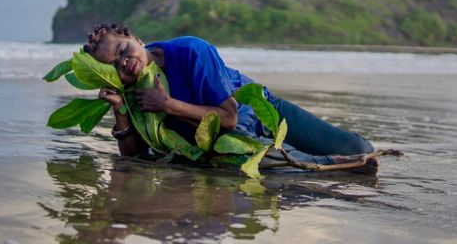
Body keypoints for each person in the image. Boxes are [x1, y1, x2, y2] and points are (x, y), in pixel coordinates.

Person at [85, 23, 379, 174]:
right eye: (113, 67)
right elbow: (136, 158)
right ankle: (330, 163)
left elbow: (229, 117)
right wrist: (121, 112)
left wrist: (167, 105)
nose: (124, 63)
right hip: (230, 142)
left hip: (259, 111)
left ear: (135, 38)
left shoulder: (190, 51)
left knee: (360, 148)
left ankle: (333, 158)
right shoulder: (133, 92)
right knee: (299, 175)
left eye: (123, 50)